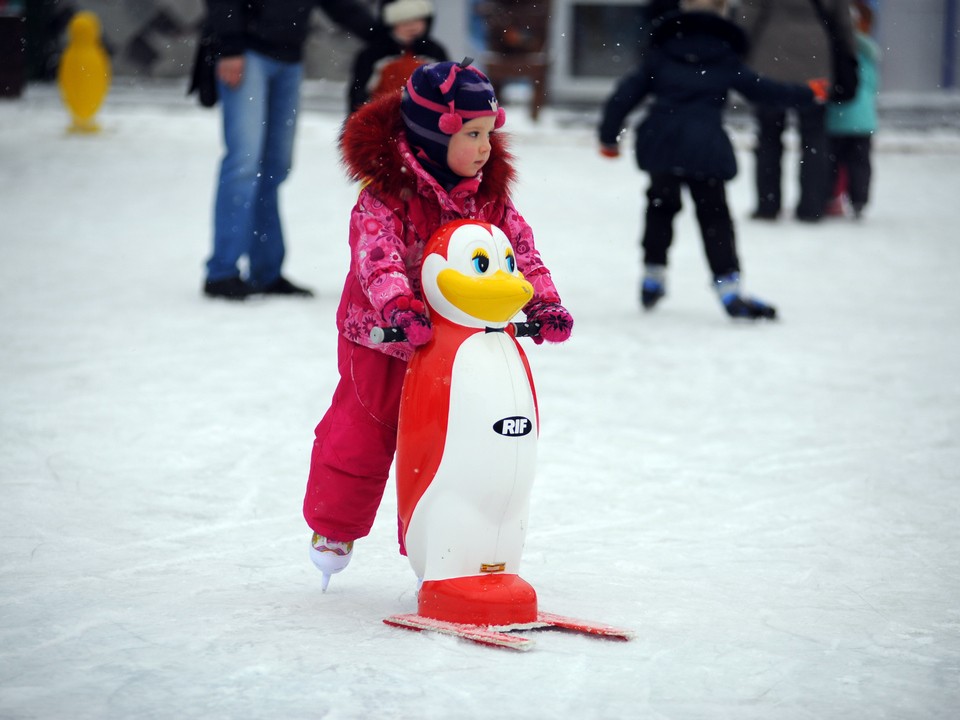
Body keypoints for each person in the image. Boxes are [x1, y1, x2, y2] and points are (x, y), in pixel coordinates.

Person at [302, 60, 574, 585]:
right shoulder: (383, 197)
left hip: (453, 342)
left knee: (449, 438)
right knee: (365, 431)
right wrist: (399, 308)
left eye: (488, 134)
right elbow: (375, 257)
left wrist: (543, 302)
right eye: (472, 135)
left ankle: (432, 537)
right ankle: (334, 526)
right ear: (432, 135)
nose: (484, 148)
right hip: (382, 338)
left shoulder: (487, 197)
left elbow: (520, 252)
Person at [598, 0, 825, 320]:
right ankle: (728, 285)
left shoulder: (662, 53)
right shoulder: (724, 57)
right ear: (721, 12)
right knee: (714, 215)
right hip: (705, 146)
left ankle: (653, 275)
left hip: (662, 142)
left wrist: (609, 137)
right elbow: (763, 90)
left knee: (660, 207)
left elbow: (625, 94)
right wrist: (807, 92)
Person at [202, 0, 378, 301]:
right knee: (243, 165)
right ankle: (221, 272)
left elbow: (342, 6)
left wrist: (385, 34)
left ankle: (266, 272)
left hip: (289, 58)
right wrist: (229, 46)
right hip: (246, 53)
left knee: (274, 168)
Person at [736, 0, 855, 223]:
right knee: (815, 138)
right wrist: (847, 56)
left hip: (770, 62)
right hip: (816, 63)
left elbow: (748, 16)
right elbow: (843, 21)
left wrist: (739, 50)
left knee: (769, 136)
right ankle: (812, 206)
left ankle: (767, 205)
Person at [825, 0, 880, 220]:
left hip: (835, 119)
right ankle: (859, 200)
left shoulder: (836, 47)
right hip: (863, 120)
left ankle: (831, 198)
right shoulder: (870, 53)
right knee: (859, 164)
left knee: (832, 163)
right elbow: (874, 86)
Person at [347, 0, 448, 114]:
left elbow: (447, 89)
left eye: (417, 20)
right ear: (391, 25)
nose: (412, 27)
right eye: (404, 22)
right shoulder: (373, 54)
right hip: (382, 120)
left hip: (428, 121)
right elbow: (358, 95)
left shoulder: (435, 52)